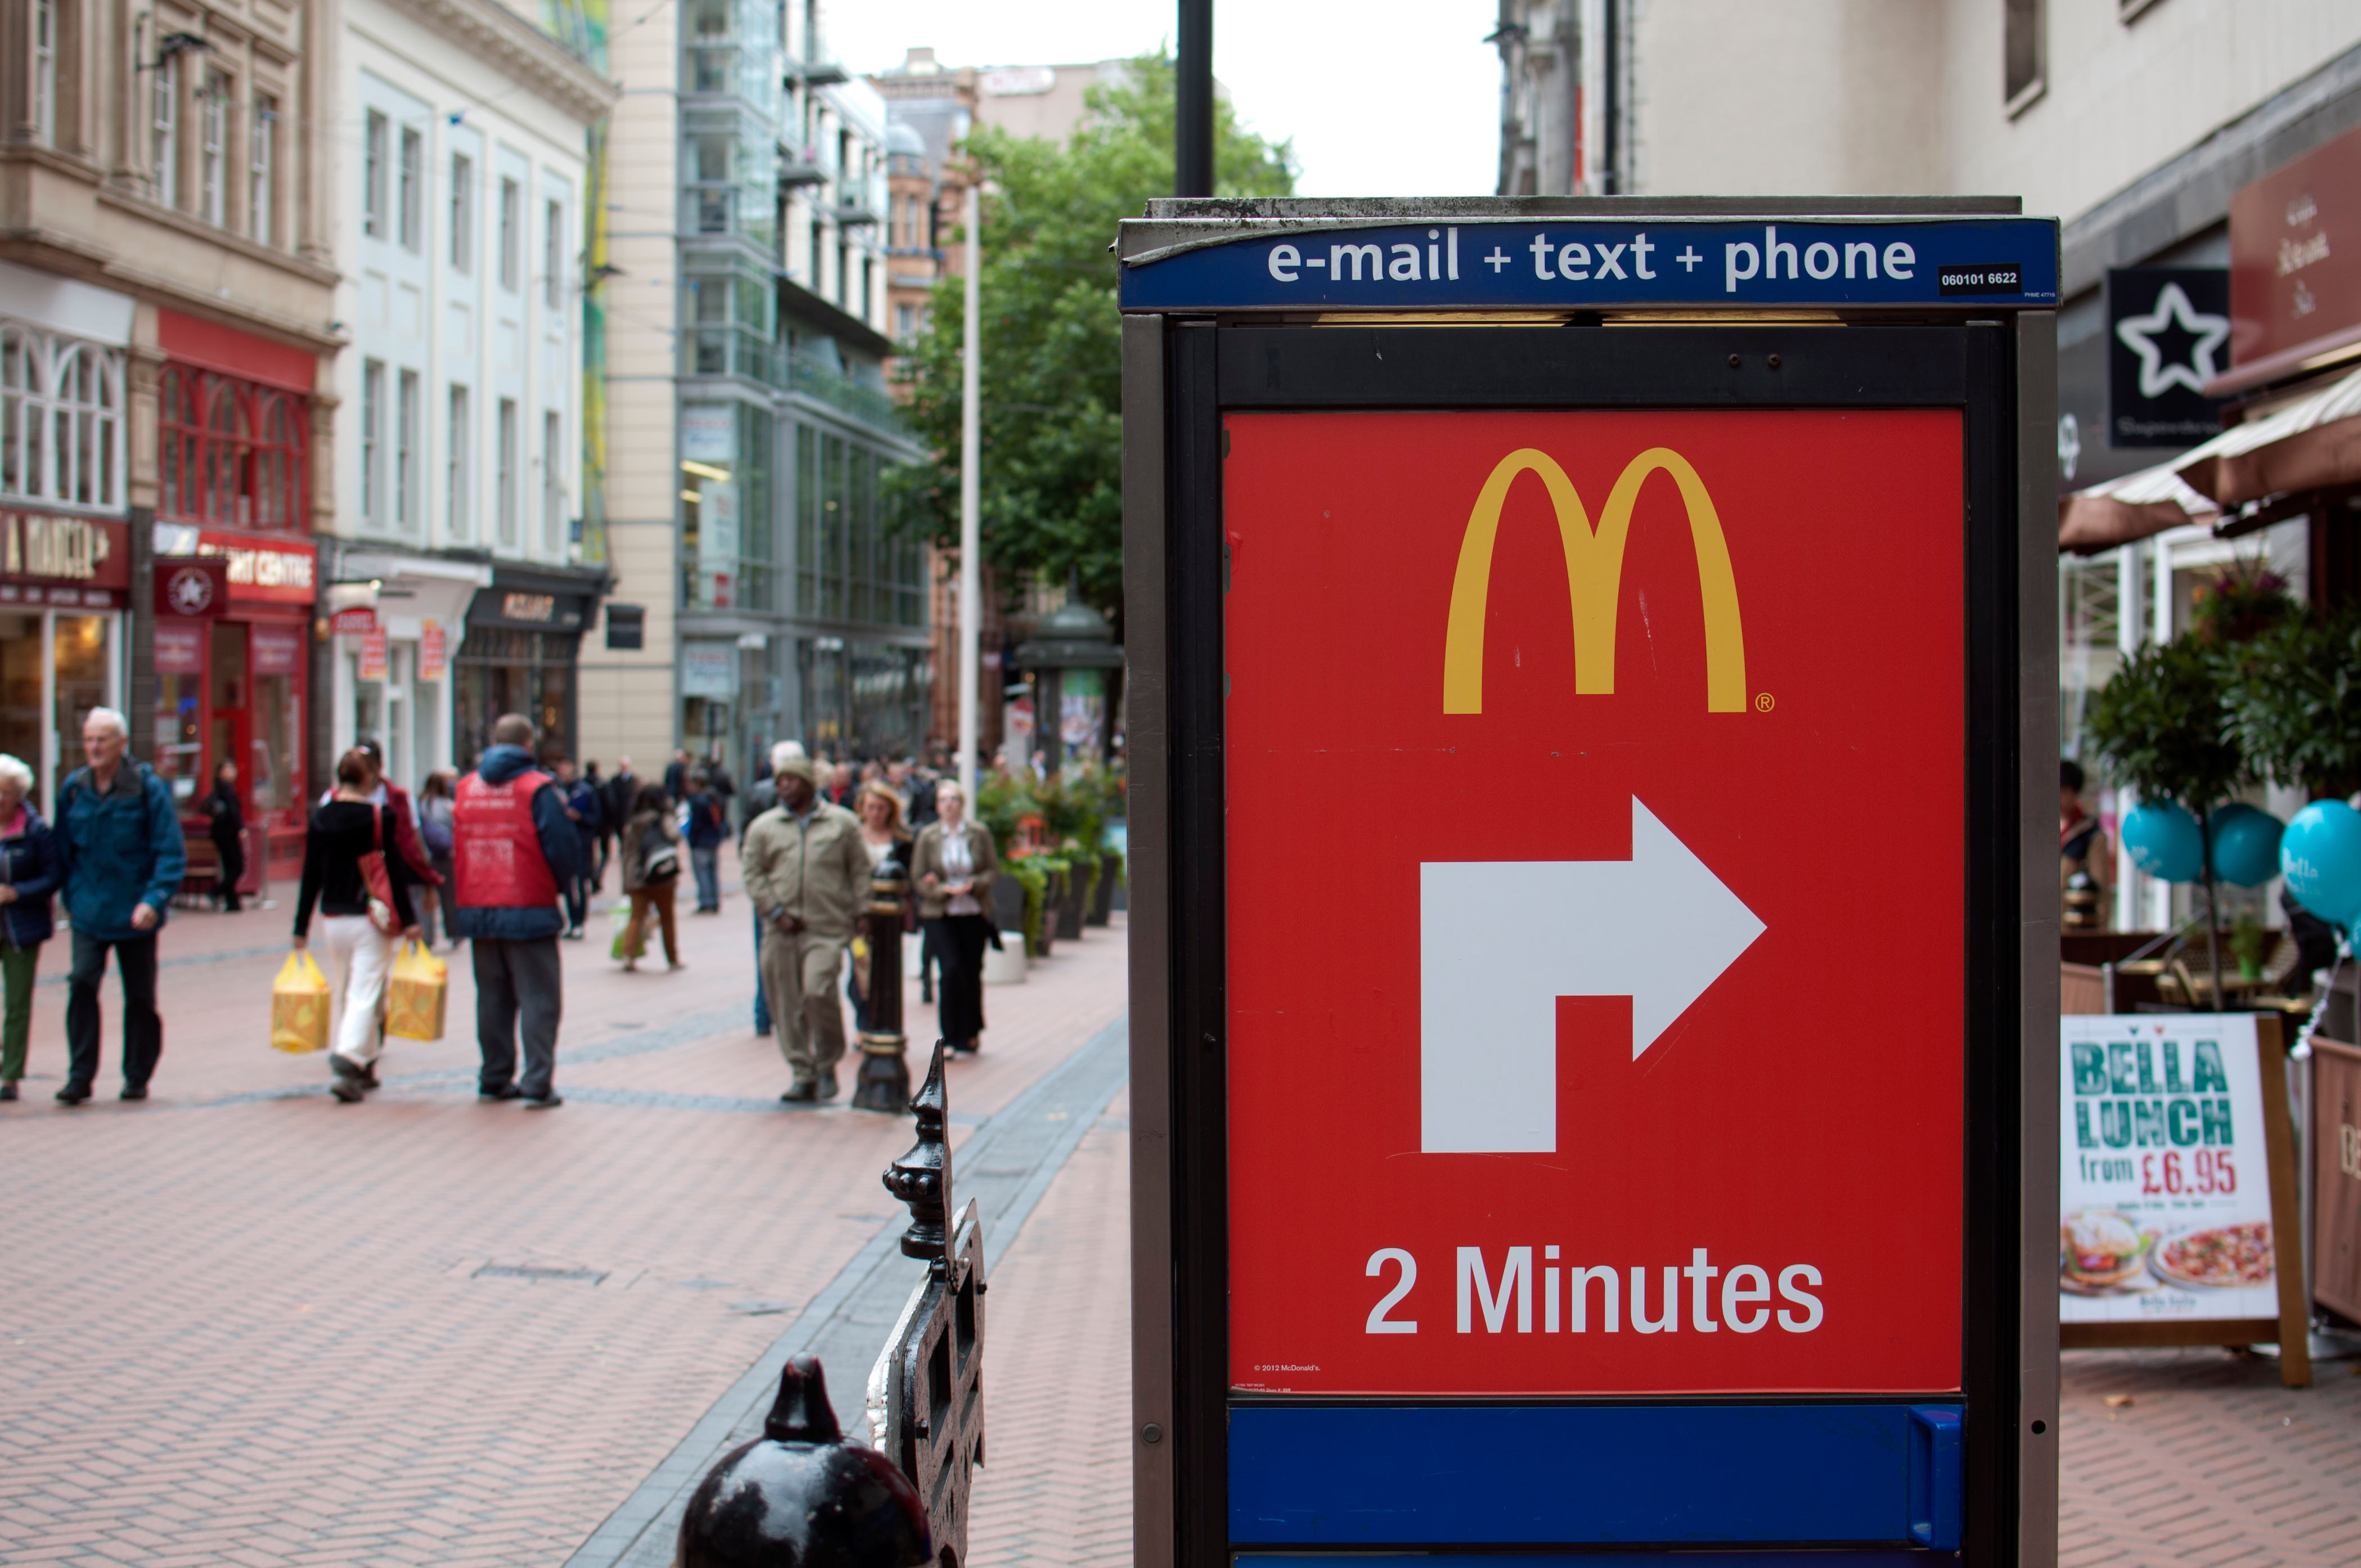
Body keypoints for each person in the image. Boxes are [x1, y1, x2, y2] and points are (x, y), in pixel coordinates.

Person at [451, 714, 585, 1108]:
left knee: (492, 997)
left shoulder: (465, 787)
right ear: (528, 745)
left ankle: (494, 1075)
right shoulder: (537, 788)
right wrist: (564, 887)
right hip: (527, 902)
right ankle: (537, 1080)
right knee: (539, 997)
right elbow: (561, 848)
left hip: (479, 903)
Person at [55, 707, 184, 1104]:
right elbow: (63, 851)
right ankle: (79, 1077)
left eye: (102, 739)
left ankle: (137, 1076)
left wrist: (154, 898)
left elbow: (170, 851)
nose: (93, 747)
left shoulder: (147, 787)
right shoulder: (75, 788)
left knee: (141, 997)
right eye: (89, 739)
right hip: (89, 910)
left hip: (136, 912)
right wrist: (72, 897)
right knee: (81, 982)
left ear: (121, 743)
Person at [293, 749, 421, 1103]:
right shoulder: (380, 818)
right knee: (365, 992)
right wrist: (410, 922)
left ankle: (364, 1066)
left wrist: (300, 926)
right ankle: (348, 1058)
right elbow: (394, 872)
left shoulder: (321, 819)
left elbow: (311, 874)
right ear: (368, 779)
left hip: (333, 918)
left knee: (351, 989)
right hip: (371, 918)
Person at [742, 753, 870, 1102]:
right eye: (780, 780)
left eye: (791, 780)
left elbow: (859, 870)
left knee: (818, 990)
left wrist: (862, 911)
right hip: (780, 929)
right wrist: (775, 910)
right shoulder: (764, 827)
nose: (783, 786)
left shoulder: (842, 823)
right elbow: (753, 874)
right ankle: (802, 1071)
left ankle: (827, 1063)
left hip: (826, 926)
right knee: (786, 1003)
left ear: (809, 785)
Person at [911, 779, 998, 1055]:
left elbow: (992, 871)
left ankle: (970, 1032)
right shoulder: (928, 836)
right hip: (941, 913)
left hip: (973, 910)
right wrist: (940, 890)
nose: (949, 805)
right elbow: (918, 876)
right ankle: (948, 1037)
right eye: (943, 800)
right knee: (949, 970)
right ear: (937, 806)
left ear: (962, 804)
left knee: (971, 971)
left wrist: (973, 885)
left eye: (954, 799)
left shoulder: (978, 833)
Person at [0, 755, 64, 1101]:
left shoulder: (36, 831)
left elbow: (53, 877)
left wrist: (16, 893)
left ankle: (10, 1075)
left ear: (19, 794)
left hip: (22, 927)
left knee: (17, 1003)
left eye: (6, 792)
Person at [846, 781, 913, 1034]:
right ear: (862, 808)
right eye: (871, 807)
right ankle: (865, 1023)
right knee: (859, 972)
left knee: (884, 971)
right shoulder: (852, 837)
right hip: (859, 917)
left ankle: (880, 1025)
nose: (875, 814)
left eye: (881, 808)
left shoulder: (901, 839)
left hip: (889, 919)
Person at [618, 784, 686, 973]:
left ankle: (628, 956)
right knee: (667, 918)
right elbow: (675, 836)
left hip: (636, 876)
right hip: (660, 874)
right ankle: (672, 958)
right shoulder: (663, 818)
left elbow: (626, 851)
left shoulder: (632, 822)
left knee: (636, 917)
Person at [2061, 759, 2112, 928]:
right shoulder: (2039, 832)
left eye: (2064, 792)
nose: (2058, 798)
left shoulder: (2091, 835)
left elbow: (2101, 892)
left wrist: (2096, 937)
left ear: (2075, 793)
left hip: (2074, 931)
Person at [555, 757, 596, 938]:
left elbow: (597, 818)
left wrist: (580, 818)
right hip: (565, 844)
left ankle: (579, 922)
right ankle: (572, 922)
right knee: (567, 886)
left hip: (582, 844)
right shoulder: (557, 792)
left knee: (580, 884)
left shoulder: (585, 791)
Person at [416, 769, 458, 948]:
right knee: (449, 897)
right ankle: (455, 933)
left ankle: (427, 937)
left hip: (426, 857)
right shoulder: (448, 806)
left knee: (425, 898)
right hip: (446, 857)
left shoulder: (420, 805)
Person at [202, 760, 245, 911]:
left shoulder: (221, 789)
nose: (232, 772)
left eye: (233, 769)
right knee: (238, 867)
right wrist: (240, 828)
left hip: (221, 833)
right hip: (228, 833)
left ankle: (232, 902)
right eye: (228, 769)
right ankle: (215, 892)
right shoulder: (225, 790)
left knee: (229, 868)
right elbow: (234, 812)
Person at [685, 768, 728, 913]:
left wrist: (692, 840)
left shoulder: (699, 801)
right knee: (712, 872)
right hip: (713, 840)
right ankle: (714, 900)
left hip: (702, 841)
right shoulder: (715, 798)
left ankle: (706, 902)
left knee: (702, 872)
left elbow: (696, 824)